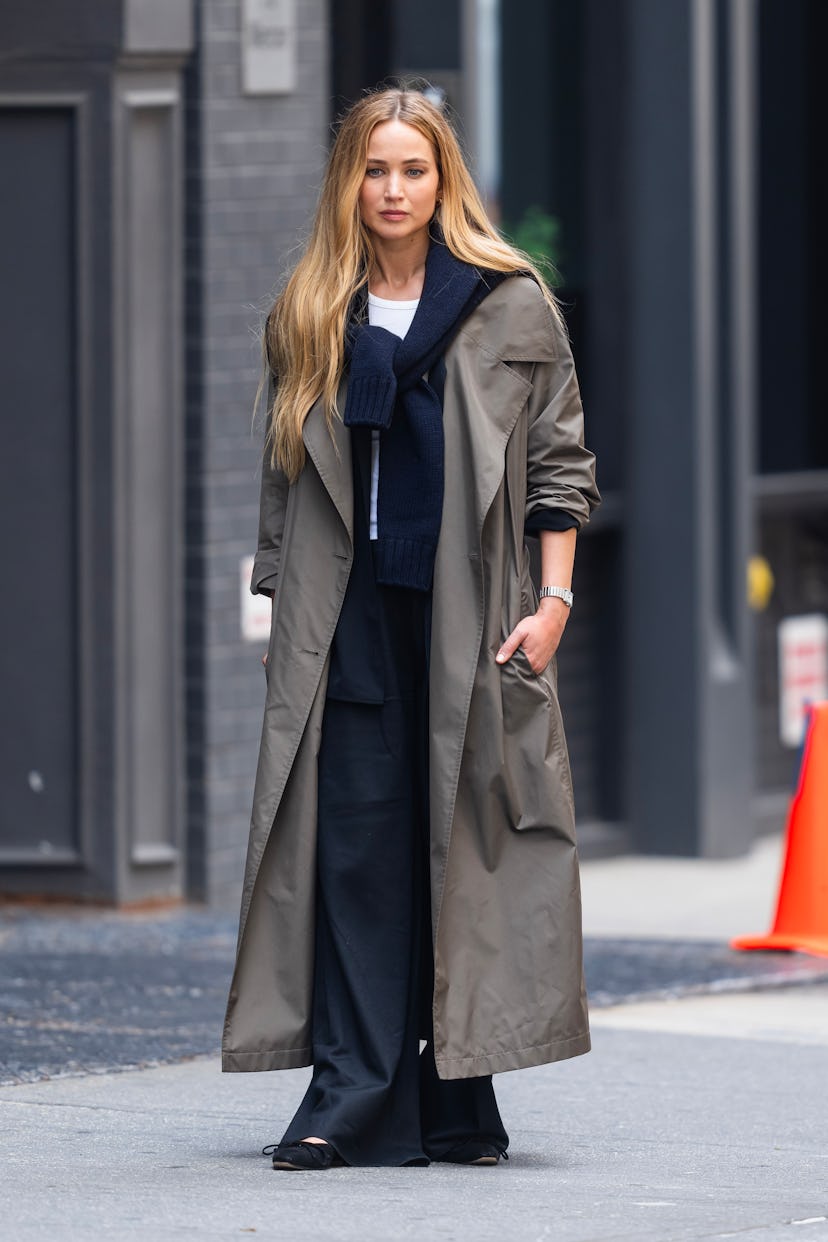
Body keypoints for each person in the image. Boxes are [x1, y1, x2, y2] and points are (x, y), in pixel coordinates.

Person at [222, 87, 601, 1171]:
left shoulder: (509, 304)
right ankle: (350, 1087)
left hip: (470, 617)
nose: (394, 191)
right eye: (376, 171)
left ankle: (454, 1097)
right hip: (342, 619)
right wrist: (276, 606)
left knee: (462, 851)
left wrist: (554, 603)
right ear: (351, 180)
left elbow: (560, 465)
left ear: (444, 181)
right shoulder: (311, 308)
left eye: (414, 170)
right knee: (351, 855)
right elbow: (282, 477)